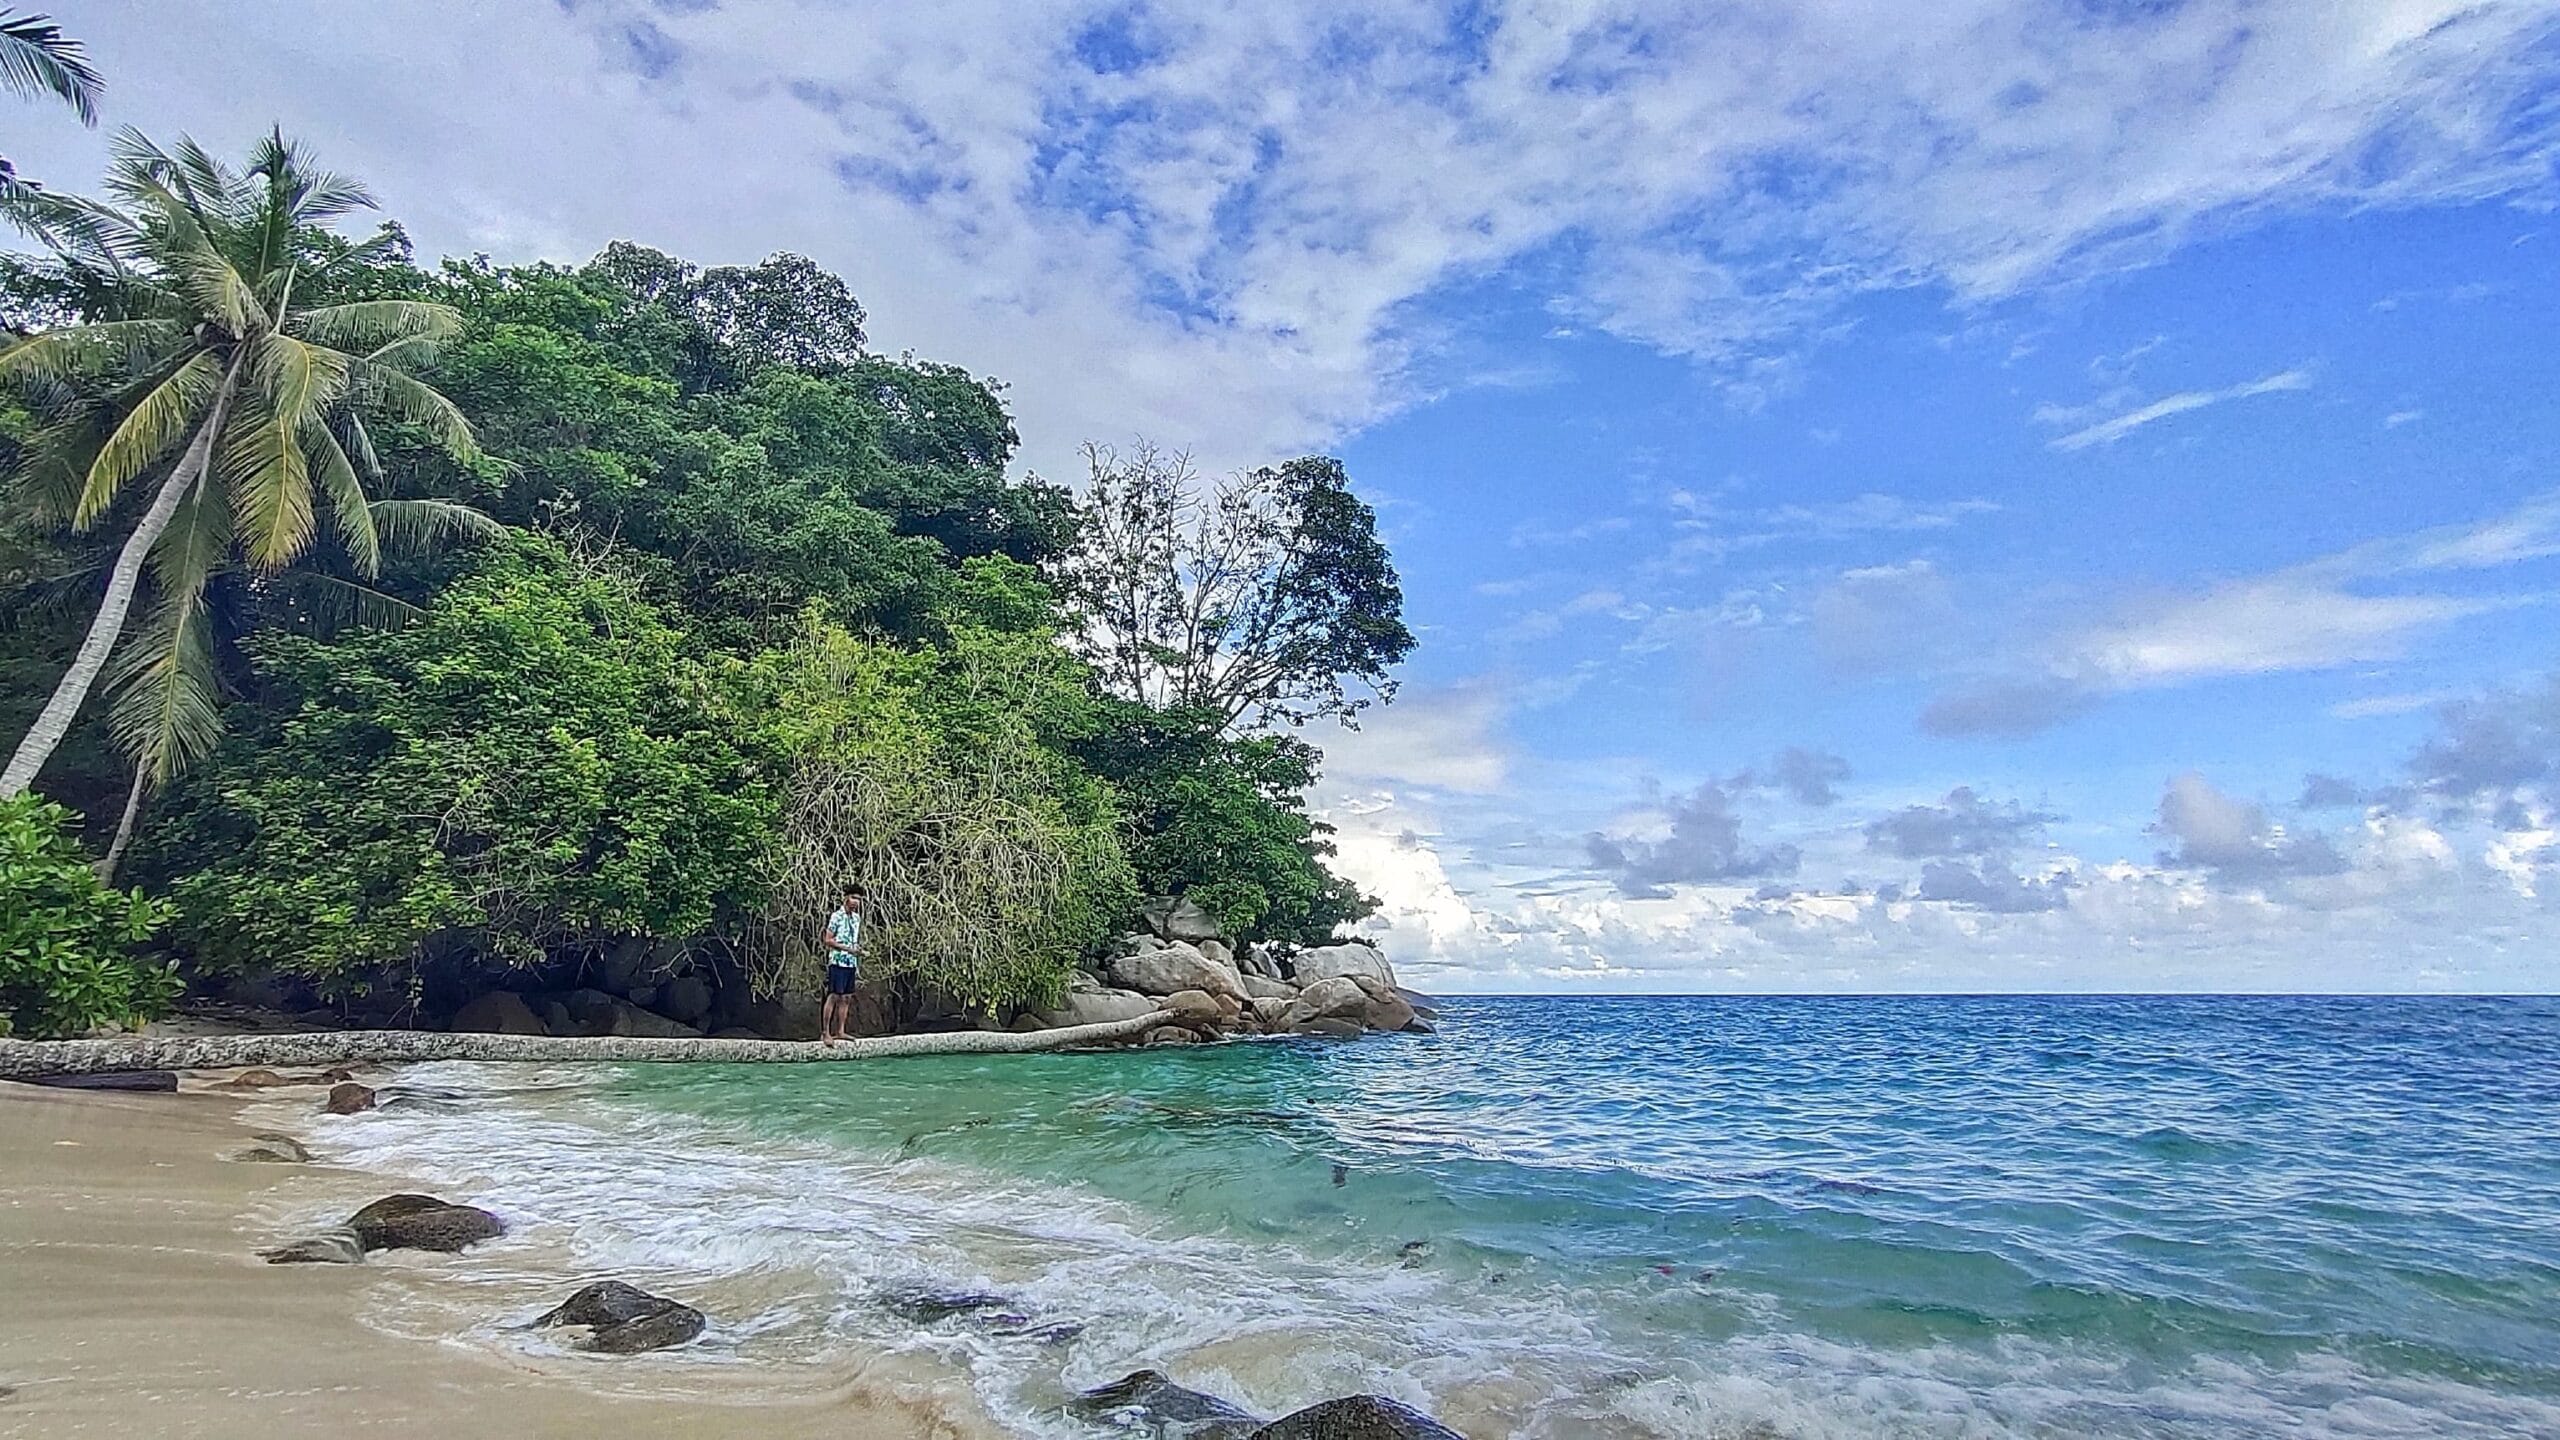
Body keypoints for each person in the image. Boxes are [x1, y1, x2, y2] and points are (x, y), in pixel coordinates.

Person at [820, 884, 866, 1044]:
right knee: (834, 995)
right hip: (837, 961)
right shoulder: (836, 916)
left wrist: (857, 950)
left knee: (846, 997)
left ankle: (840, 1031)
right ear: (846, 898)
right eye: (853, 898)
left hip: (851, 963)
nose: (856, 902)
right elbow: (828, 940)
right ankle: (826, 1032)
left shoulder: (856, 919)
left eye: (859, 899)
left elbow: (853, 940)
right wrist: (847, 949)